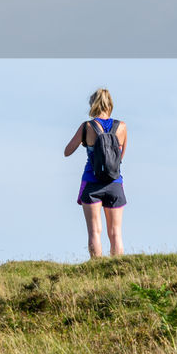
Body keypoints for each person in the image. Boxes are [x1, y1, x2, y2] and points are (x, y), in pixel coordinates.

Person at [63, 88, 127, 258]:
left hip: (92, 183)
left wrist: (86, 139)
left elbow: (67, 151)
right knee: (115, 233)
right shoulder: (122, 127)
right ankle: (118, 270)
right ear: (110, 104)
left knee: (94, 232)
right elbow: (120, 157)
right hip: (115, 183)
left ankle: (97, 268)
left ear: (93, 104)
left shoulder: (87, 126)